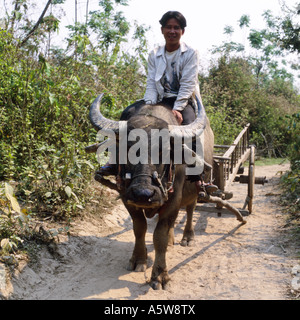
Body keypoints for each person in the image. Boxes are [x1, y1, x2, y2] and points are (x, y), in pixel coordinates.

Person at [99, 11, 217, 195]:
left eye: (176, 27)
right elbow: (151, 83)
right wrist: (149, 105)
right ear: (162, 30)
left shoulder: (191, 53)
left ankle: (198, 175)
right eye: (168, 27)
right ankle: (114, 163)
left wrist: (178, 108)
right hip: (159, 98)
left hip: (183, 99)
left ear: (182, 31)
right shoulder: (154, 54)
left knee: (191, 125)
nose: (172, 31)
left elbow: (187, 84)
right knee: (127, 115)